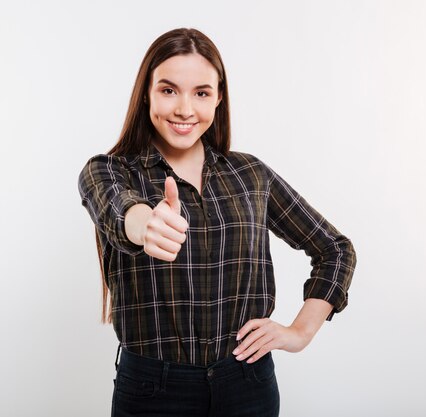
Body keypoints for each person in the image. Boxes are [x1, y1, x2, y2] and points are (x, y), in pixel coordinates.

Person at [78, 27, 356, 417]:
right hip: (152, 391)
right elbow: (118, 208)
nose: (185, 109)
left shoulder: (251, 175)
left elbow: (335, 249)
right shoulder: (108, 171)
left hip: (248, 384)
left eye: (202, 93)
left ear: (219, 98)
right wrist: (145, 224)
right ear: (146, 93)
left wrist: (300, 332)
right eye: (169, 90)